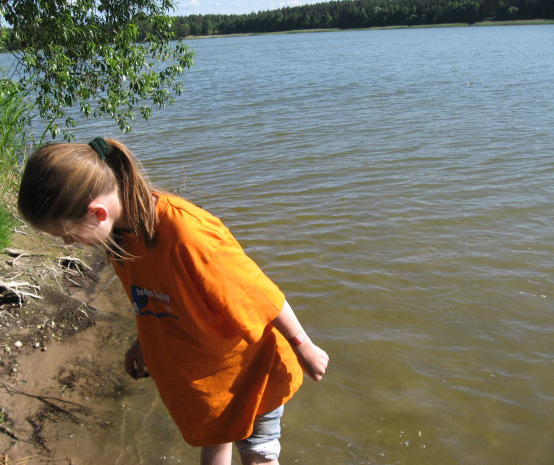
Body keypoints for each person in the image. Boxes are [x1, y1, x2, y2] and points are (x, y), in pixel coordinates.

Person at [17, 137, 329, 465]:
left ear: (97, 213)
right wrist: (144, 342)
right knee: (216, 439)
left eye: (66, 234)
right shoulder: (119, 236)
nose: (67, 243)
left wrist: (303, 345)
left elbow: (261, 293)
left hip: (249, 369)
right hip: (206, 376)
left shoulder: (187, 235)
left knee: (258, 455)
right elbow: (154, 295)